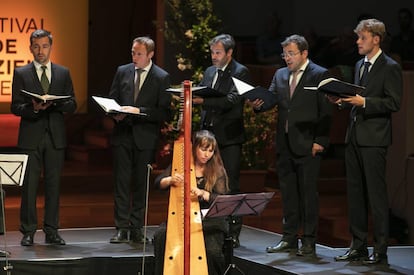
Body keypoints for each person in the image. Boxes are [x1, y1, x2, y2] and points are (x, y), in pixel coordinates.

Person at [249, 34, 332, 257]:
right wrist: (258, 105)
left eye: (291, 53)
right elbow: (271, 99)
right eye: (284, 54)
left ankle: (309, 241)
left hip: (307, 145)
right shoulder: (280, 74)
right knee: (288, 194)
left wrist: (320, 141)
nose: (286, 58)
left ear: (304, 53)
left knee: (307, 195)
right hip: (285, 144)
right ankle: (288, 238)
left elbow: (326, 112)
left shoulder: (319, 74)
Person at [329, 19, 402, 265]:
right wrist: (343, 101)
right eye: (358, 37)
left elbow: (394, 102)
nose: (358, 42)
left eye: (362, 38)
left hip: (374, 139)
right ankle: (358, 246)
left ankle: (380, 250)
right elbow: (357, 95)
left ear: (376, 39)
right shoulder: (360, 64)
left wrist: (366, 103)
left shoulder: (390, 66)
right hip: (354, 137)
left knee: (376, 196)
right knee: (356, 194)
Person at [11, 29, 77, 246]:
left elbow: (72, 104)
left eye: (44, 46)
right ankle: (28, 231)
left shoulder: (63, 72)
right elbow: (16, 107)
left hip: (55, 137)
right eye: (36, 46)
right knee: (29, 186)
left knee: (53, 185)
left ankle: (52, 231)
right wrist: (35, 109)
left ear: (51, 47)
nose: (40, 51)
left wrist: (57, 103)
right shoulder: (21, 73)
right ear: (30, 48)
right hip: (31, 136)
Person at [108, 36, 171, 244]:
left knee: (140, 185)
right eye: (133, 52)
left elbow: (164, 112)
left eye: (139, 54)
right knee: (121, 183)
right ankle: (121, 228)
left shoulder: (161, 77)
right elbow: (113, 98)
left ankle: (136, 228)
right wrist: (114, 113)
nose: (134, 57)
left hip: (145, 138)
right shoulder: (122, 71)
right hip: (123, 135)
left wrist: (138, 111)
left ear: (150, 54)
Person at [193, 33, 251, 248]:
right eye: (212, 52)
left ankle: (233, 232)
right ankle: (210, 228)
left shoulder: (240, 71)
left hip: (229, 137)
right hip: (208, 137)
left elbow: (232, 100)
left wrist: (203, 101)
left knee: (230, 185)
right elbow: (202, 91)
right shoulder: (209, 71)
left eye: (218, 52)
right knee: (207, 183)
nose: (214, 56)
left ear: (229, 53)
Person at [153, 130, 229, 275]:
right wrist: (170, 180)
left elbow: (222, 200)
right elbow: (158, 183)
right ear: (194, 148)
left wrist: (203, 194)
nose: (207, 154)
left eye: (210, 151)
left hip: (210, 220)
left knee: (211, 251)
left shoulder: (217, 171)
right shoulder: (182, 164)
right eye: (203, 149)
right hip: (183, 217)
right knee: (161, 236)